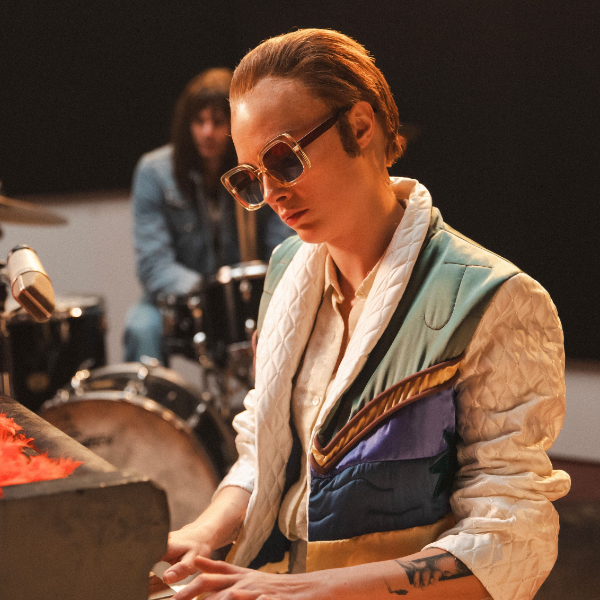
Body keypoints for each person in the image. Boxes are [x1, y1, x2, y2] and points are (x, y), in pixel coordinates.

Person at [159, 30, 570, 600]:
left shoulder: (497, 299)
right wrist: (200, 534)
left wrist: (313, 589)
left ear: (359, 126)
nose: (272, 194)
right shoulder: (286, 270)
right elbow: (265, 453)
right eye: (251, 177)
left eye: (283, 160)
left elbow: (513, 537)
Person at [124, 68, 292, 363]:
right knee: (141, 327)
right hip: (181, 303)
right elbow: (154, 265)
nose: (207, 132)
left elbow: (283, 247)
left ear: (235, 124)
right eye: (199, 121)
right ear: (186, 124)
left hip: (246, 298)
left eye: (217, 121)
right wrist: (208, 291)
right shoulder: (153, 172)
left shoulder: (255, 168)